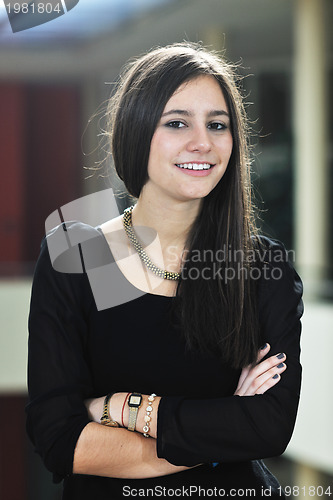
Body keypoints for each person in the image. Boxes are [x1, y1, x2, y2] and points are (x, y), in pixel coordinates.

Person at [26, 43, 303, 499]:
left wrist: (125, 408)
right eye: (176, 123)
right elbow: (61, 441)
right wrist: (222, 423)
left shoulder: (262, 267)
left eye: (218, 125)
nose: (203, 142)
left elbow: (269, 428)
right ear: (136, 133)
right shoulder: (75, 254)